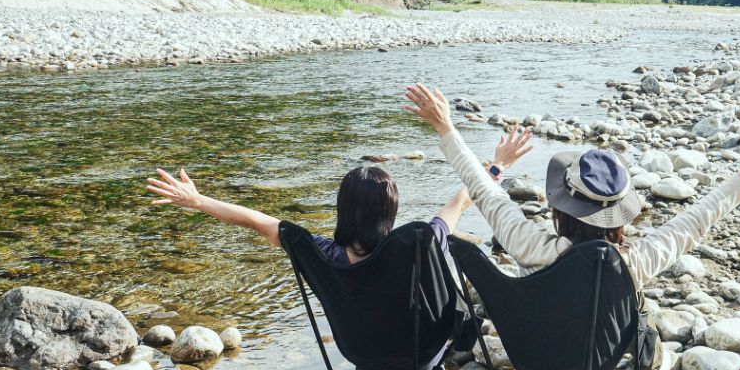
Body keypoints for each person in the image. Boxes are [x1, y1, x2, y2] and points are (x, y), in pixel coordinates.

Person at [403, 83, 740, 370]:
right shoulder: (633, 263)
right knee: (640, 305)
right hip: (595, 364)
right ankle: (650, 365)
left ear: (560, 209)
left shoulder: (529, 245)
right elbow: (692, 223)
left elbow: (485, 192)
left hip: (531, 359)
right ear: (619, 216)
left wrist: (447, 129)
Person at [144, 129, 535, 265]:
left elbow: (253, 218)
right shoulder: (421, 241)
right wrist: (498, 166)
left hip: (359, 350)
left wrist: (198, 201)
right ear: (391, 211)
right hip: (420, 351)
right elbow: (462, 201)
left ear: (342, 209)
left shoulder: (317, 251)